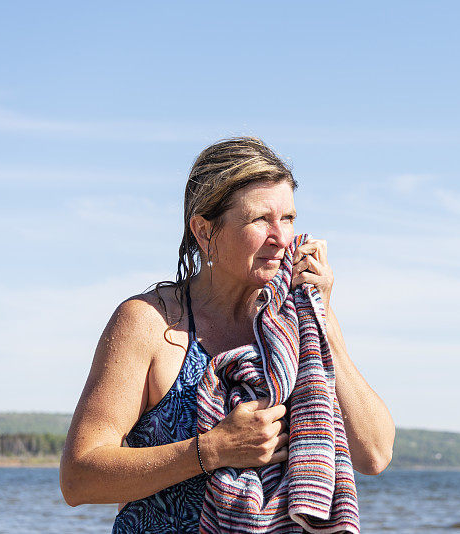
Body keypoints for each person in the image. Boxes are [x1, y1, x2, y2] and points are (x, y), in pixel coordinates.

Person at [59, 136, 395, 531]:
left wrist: (322, 318)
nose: (283, 238)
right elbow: (78, 477)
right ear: (204, 231)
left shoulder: (295, 321)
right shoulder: (150, 323)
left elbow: (374, 454)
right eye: (260, 220)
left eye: (288, 218)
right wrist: (213, 450)